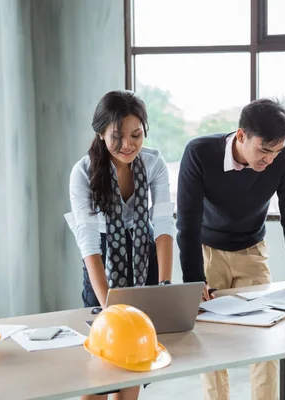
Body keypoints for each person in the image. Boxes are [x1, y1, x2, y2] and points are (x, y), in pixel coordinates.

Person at [176, 98, 285, 400]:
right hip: (207, 252)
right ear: (241, 135)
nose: (270, 160)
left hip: (253, 251)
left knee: (266, 338)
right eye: (264, 150)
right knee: (209, 339)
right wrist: (192, 279)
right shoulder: (199, 153)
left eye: (276, 151)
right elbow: (187, 222)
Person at [65, 90, 175, 400]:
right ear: (100, 133)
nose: (128, 144)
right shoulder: (83, 172)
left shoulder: (153, 163)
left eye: (136, 134)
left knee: (136, 355)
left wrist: (165, 284)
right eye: (117, 136)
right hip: (101, 256)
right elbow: (87, 238)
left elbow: (164, 223)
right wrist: (108, 306)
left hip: (144, 253)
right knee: (103, 360)